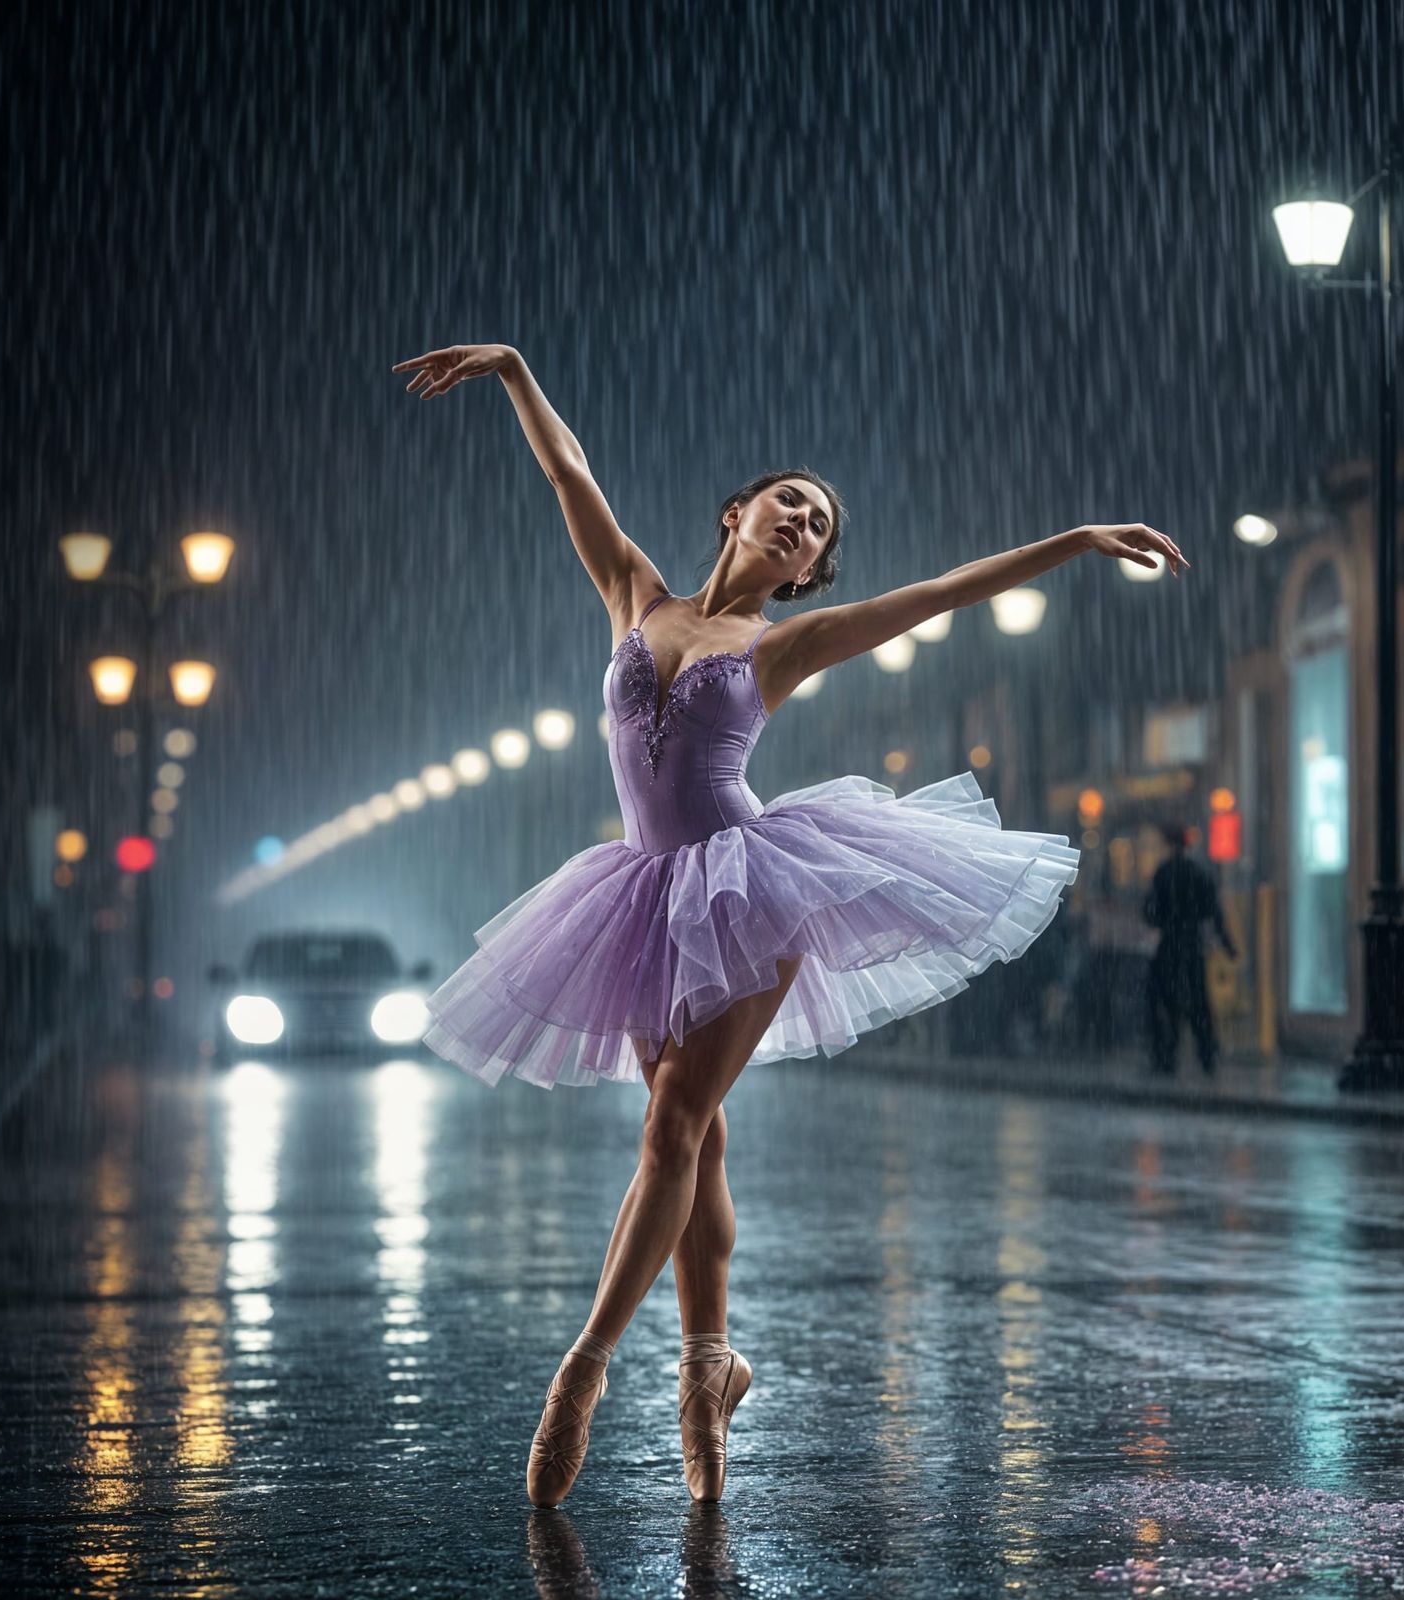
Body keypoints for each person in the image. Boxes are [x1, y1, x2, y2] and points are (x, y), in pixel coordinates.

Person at [390, 341, 1191, 1508]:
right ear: (738, 511)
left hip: (752, 885)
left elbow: (949, 589)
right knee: (697, 1141)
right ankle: (708, 1378)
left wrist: (1076, 541)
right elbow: (570, 476)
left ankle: (586, 1369)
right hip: (638, 899)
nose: (803, 525)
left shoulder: (786, 642)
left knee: (671, 1124)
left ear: (808, 572)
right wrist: (514, 369)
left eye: (817, 528)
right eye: (790, 505)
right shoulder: (637, 596)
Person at [1142, 821, 1238, 1076]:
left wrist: (1164, 920)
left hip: (1169, 945)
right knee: (1198, 1003)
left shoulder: (1163, 873)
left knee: (1166, 1004)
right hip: (1192, 945)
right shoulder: (1198, 873)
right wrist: (1227, 943)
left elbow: (1150, 912)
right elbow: (1213, 911)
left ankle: (1166, 1058)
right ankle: (1206, 1055)